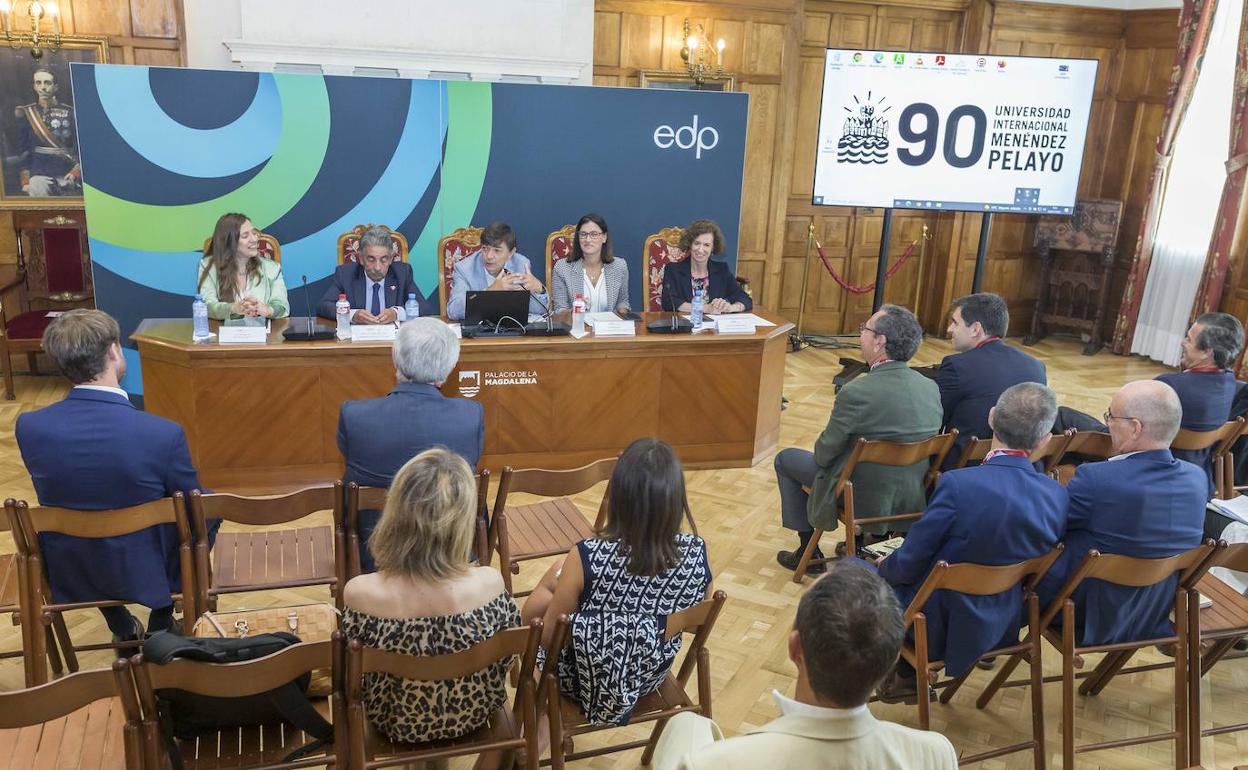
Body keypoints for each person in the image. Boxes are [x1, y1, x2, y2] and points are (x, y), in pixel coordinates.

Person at [15, 309, 217, 641]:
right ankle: (163, 619)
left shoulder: (30, 427)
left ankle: (120, 625)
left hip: (72, 565)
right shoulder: (161, 433)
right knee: (203, 506)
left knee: (86, 509)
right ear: (113, 351)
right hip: (145, 566)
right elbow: (195, 508)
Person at [875, 383, 1067, 702]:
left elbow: (908, 563)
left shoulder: (957, 485)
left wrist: (884, 566)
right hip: (1004, 624)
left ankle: (871, 676)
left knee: (853, 570)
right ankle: (905, 675)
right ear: (1046, 440)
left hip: (933, 625)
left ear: (991, 418)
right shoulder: (1057, 495)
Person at [677, 561, 957, 770]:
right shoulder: (935, 754)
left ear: (794, 647)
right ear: (893, 658)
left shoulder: (711, 764)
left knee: (685, 725)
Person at [522, 438, 712, 726]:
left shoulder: (587, 556)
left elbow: (548, 638)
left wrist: (552, 587)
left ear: (619, 498)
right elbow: (698, 623)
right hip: (648, 676)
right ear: (676, 500)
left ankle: (539, 734)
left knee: (535, 628)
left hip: (580, 679)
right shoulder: (697, 552)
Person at [341, 447, 520, 753]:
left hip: (394, 722)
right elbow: (505, 660)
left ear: (395, 513)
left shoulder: (360, 593)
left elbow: (352, 678)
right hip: (474, 715)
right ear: (461, 520)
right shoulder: (491, 583)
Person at [1035, 380, 1206, 645]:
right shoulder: (1197, 478)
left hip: (1081, 615)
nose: (1107, 423)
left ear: (1135, 428)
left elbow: (1048, 528)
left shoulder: (1097, 480)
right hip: (1151, 614)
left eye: (1111, 417)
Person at [774, 304, 942, 573]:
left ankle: (808, 552)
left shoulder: (857, 391)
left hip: (860, 497)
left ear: (880, 342)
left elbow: (824, 454)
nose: (861, 332)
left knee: (786, 460)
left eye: (865, 328)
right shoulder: (930, 388)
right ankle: (865, 540)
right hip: (911, 498)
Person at [338, 317, 483, 573]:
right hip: (451, 551)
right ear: (449, 367)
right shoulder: (469, 415)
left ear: (395, 360)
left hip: (377, 553)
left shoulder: (355, 416)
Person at [934, 293, 1046, 469]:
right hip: (1020, 468)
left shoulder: (957, 366)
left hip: (963, 470)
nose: (949, 329)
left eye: (955, 322)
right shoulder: (1036, 366)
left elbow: (934, 421)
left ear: (975, 329)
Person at [1156, 312, 1243, 499]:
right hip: (1199, 481)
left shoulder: (1168, 386)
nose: (1182, 342)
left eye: (1188, 339)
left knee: (1076, 420)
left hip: (1159, 476)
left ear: (1207, 352)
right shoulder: (1229, 383)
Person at [316, 225, 423, 324]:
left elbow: (424, 307)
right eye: (371, 259)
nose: (377, 267)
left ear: (391, 258)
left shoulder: (402, 273)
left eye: (383, 260)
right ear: (361, 258)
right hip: (357, 342)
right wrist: (353, 315)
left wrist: (396, 313)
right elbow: (324, 307)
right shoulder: (345, 274)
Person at [445, 221, 548, 321]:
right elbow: (453, 310)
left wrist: (539, 289)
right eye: (485, 248)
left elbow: (541, 310)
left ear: (511, 253)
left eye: (497, 250)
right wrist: (490, 292)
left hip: (513, 331)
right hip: (478, 334)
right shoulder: (464, 269)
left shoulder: (521, 264)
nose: (489, 256)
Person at [197, 213, 289, 320]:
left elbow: (282, 306)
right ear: (229, 242)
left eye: (254, 233)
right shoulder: (209, 266)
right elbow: (206, 306)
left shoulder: (272, 268)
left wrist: (268, 310)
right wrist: (233, 308)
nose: (254, 239)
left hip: (264, 334)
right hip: (223, 334)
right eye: (245, 236)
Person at [659, 219, 751, 314]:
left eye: (706, 245)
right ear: (690, 244)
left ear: (713, 248)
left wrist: (730, 308)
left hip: (715, 327)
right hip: (686, 326)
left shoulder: (722, 269)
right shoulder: (673, 270)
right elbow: (668, 302)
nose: (700, 249)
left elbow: (744, 298)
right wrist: (705, 308)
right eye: (697, 243)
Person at [14, 67, 80, 197]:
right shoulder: (27, 114)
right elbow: (23, 152)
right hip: (39, 174)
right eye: (38, 83)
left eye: (47, 83)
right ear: (34, 86)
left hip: (67, 173)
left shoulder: (71, 113)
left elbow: (80, 148)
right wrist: (25, 181)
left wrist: (75, 173)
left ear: (56, 86)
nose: (43, 87)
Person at [550, 213, 631, 314]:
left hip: (609, 328)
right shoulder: (562, 268)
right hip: (576, 328)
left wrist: (622, 318)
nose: (588, 240)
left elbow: (622, 303)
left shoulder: (619, 266)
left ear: (604, 237)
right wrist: (575, 311)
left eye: (594, 234)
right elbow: (559, 310)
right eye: (583, 234)